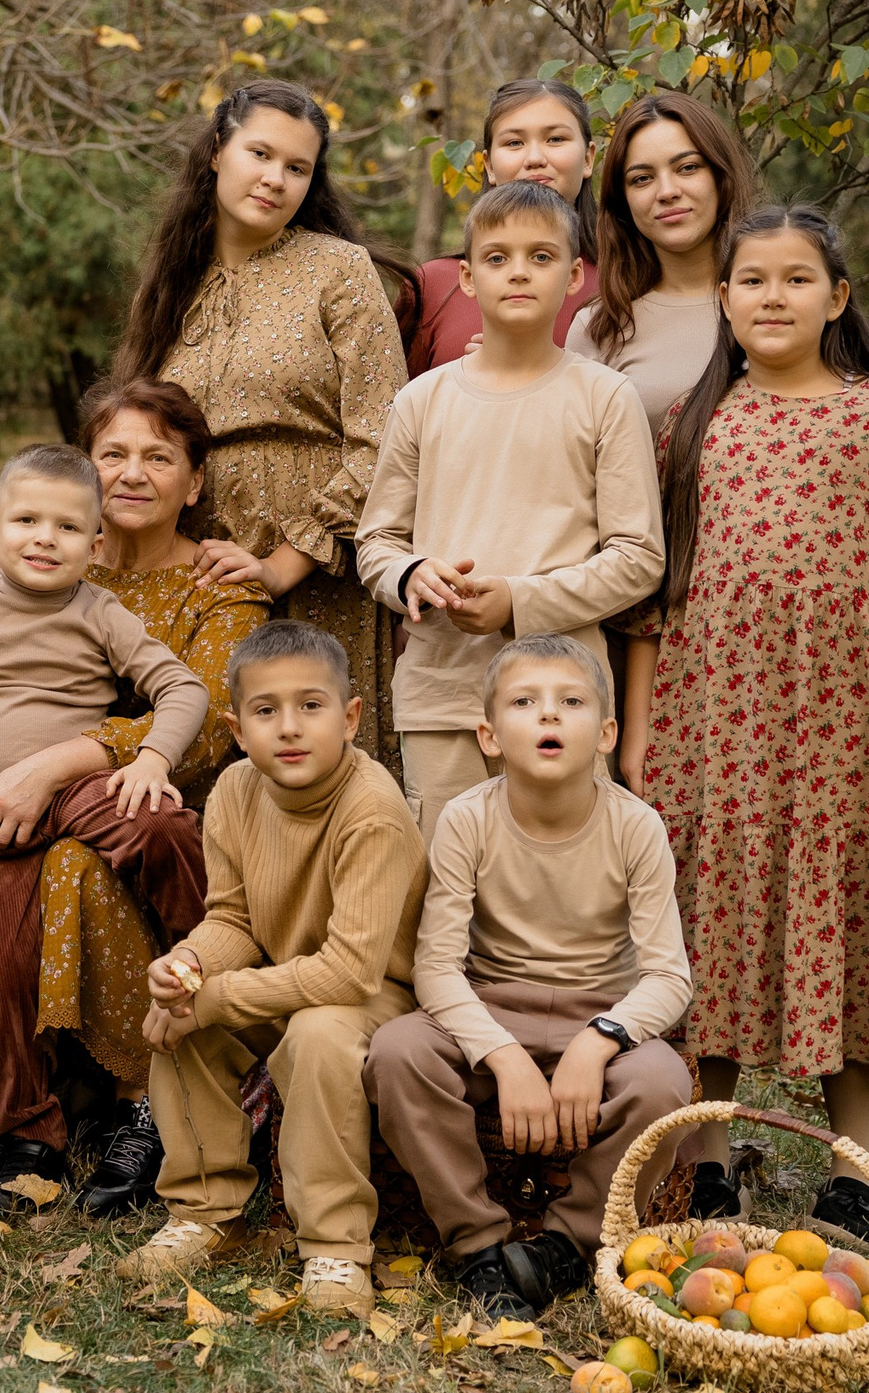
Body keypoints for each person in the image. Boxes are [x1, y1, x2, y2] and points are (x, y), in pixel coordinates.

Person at [618, 204, 869, 1242]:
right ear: (723, 301)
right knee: (715, 935)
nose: (771, 297)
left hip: (843, 734)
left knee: (851, 938)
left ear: (836, 297)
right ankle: (704, 1164)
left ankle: (855, 1167)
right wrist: (642, 730)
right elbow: (655, 600)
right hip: (715, 731)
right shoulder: (692, 427)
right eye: (751, 281)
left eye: (794, 280)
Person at [0, 379, 269, 1218]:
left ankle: (187, 1045)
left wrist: (61, 764)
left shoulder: (183, 592)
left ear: (192, 482)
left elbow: (198, 714)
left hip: (118, 795)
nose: (133, 472)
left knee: (118, 841)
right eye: (114, 454)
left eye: (158, 457)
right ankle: (19, 1117)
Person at [365, 634, 691, 1318]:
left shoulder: (637, 826)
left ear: (606, 732)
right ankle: (478, 1246)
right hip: (491, 1004)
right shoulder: (467, 819)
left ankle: (565, 1247)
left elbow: (667, 977)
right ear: (489, 734)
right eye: (525, 702)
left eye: (570, 701)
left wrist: (599, 1040)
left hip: (598, 1009)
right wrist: (504, 1056)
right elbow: (437, 967)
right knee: (398, 1052)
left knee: (663, 1084)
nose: (548, 716)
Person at [121, 621, 424, 1318]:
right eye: (266, 711)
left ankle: (336, 1246)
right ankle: (208, 1211)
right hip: (286, 979)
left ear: (350, 717)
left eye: (311, 706)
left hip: (379, 997)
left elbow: (350, 974)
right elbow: (232, 919)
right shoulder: (233, 791)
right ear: (237, 727)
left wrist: (221, 994)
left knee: (317, 1034)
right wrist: (191, 966)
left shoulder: (370, 810)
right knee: (179, 1015)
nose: (289, 728)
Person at [357, 181, 664, 846]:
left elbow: (639, 557)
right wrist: (411, 576)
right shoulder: (421, 401)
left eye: (540, 256)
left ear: (576, 274)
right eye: (497, 258)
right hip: (443, 692)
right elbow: (377, 539)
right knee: (448, 893)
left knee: (564, 888)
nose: (518, 271)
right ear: (466, 277)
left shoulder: (607, 398)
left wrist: (518, 602)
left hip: (563, 693)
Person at [116, 77, 411, 767]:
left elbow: (389, 438)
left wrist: (282, 566)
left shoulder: (339, 270)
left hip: (317, 578)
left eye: (298, 167)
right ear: (218, 151)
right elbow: (131, 436)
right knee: (199, 768)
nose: (276, 178)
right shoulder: (169, 285)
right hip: (195, 576)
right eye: (260, 154)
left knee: (312, 775)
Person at [564, 89, 757, 436]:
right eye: (642, 178)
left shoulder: (778, 301)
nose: (666, 191)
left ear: (719, 175)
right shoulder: (599, 327)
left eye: (687, 167)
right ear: (623, 202)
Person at [408, 79, 603, 372]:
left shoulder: (625, 279)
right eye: (514, 143)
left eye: (555, 139)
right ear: (488, 165)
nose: (535, 158)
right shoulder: (433, 285)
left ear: (588, 158)